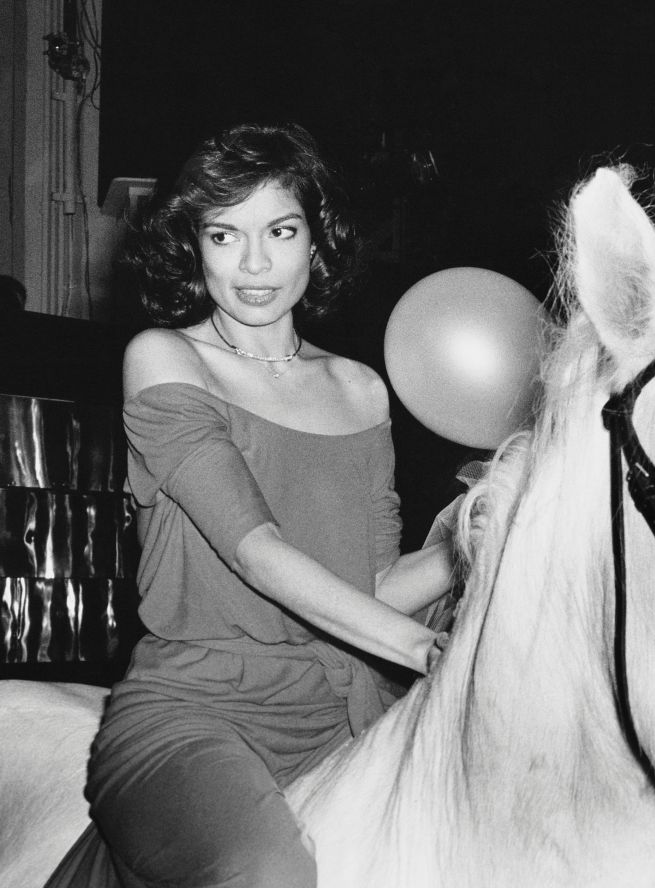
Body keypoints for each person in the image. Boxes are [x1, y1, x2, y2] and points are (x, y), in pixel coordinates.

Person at [45, 122, 455, 888]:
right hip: (195, 713)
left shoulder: (361, 389)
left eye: (281, 230)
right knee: (272, 875)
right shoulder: (166, 358)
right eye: (225, 235)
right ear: (195, 248)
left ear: (316, 240)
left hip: (338, 713)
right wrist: (428, 652)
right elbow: (254, 549)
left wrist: (468, 544)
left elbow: (366, 593)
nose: (256, 263)